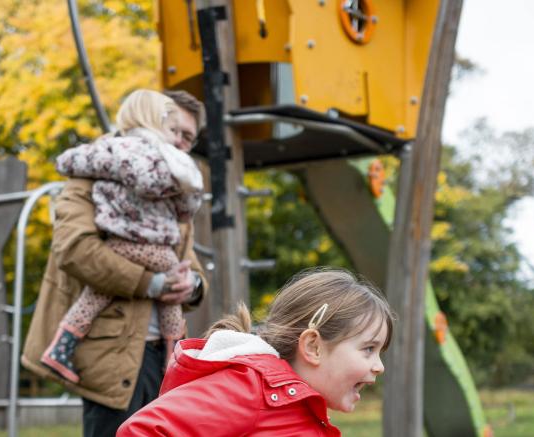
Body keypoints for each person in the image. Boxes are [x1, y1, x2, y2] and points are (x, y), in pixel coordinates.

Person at [21, 89, 207, 437]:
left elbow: (188, 261)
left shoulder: (173, 189)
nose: (180, 142)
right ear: (153, 121)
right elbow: (75, 249)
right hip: (110, 350)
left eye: (188, 137)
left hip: (162, 354)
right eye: (174, 129)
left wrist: (192, 285)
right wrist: (150, 283)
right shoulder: (94, 173)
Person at [117, 268, 395, 436]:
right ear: (313, 347)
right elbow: (142, 431)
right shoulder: (250, 388)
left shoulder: (300, 408)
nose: (378, 366)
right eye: (368, 349)